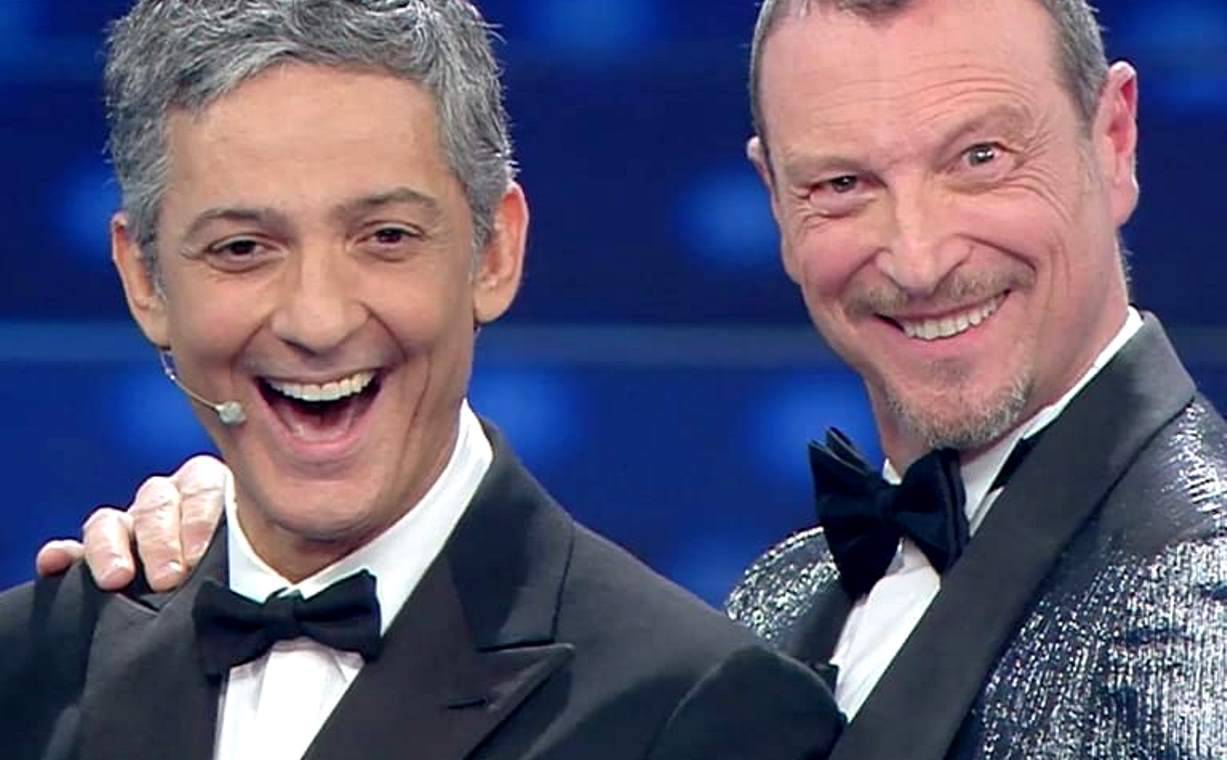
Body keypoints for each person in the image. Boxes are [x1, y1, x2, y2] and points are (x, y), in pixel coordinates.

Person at [37, 0, 1227, 757]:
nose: (916, 255)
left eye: (980, 158)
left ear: (1116, 137)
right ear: (774, 200)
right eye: (842, 185)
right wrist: (247, 540)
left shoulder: (1202, 604)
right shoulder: (790, 593)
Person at [0, 2, 843, 759]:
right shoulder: (29, 674)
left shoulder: (695, 711)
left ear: (494, 251)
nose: (318, 320)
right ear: (144, 280)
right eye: (242, 249)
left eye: (386, 237)